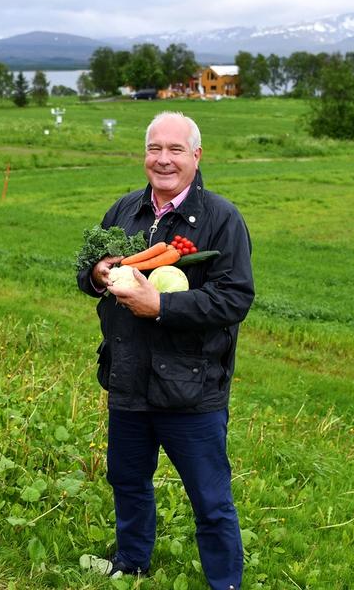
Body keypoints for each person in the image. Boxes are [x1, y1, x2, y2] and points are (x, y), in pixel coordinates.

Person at [76, 111, 254, 590]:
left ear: (196, 156)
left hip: (191, 389)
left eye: (176, 150)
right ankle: (132, 561)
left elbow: (235, 297)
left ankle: (225, 582)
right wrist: (98, 275)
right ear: (145, 154)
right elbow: (87, 270)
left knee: (210, 500)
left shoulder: (220, 219)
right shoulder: (124, 211)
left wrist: (161, 306)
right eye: (156, 149)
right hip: (128, 378)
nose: (164, 159)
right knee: (128, 481)